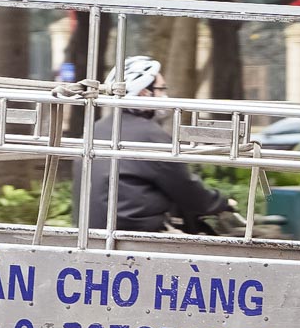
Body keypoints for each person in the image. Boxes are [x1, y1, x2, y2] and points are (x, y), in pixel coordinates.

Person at [85, 55, 233, 233]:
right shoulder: (150, 135)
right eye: (161, 89)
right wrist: (221, 203)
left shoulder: (96, 128)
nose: (165, 96)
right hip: (137, 232)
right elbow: (185, 188)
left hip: (92, 229)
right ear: (143, 93)